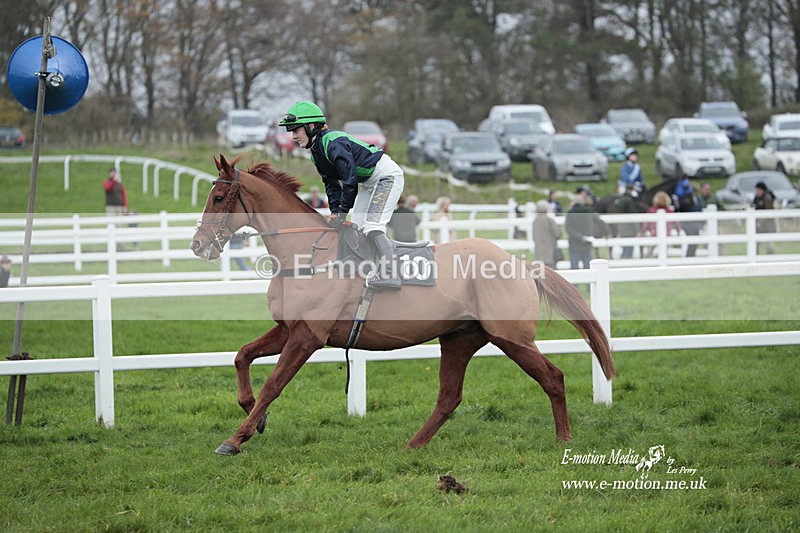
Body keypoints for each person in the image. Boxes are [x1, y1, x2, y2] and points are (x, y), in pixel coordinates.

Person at [280, 101, 405, 290]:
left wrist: (342, 212)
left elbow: (349, 181)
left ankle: (391, 274)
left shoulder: (333, 142)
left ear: (311, 126)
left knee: (372, 226)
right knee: (358, 228)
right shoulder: (315, 152)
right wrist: (335, 212)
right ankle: (369, 269)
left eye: (296, 130)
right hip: (370, 182)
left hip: (387, 177)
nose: (293, 136)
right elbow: (331, 185)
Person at [565, 188, 605, 269]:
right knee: (588, 268)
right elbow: (600, 222)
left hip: (574, 245)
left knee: (574, 269)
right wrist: (606, 232)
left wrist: (580, 236)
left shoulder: (570, 213)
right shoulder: (589, 211)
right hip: (587, 244)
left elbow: (568, 228)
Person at [641, 191, 680, 257]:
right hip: (664, 234)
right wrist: (678, 230)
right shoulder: (669, 211)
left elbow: (646, 223)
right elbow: (676, 223)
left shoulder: (652, 210)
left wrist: (643, 231)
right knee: (663, 251)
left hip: (655, 234)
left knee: (651, 251)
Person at [673, 178, 703, 257]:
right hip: (686, 223)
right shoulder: (684, 199)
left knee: (695, 238)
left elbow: (700, 209)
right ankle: (689, 256)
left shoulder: (698, 199)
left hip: (696, 223)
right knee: (692, 237)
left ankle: (691, 255)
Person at [532, 200, 562, 269]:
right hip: (550, 255)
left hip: (538, 255)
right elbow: (558, 234)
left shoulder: (535, 221)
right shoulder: (549, 220)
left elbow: (534, 237)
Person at [613, 184, 639, 259]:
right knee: (628, 249)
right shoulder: (629, 200)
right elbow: (632, 215)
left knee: (624, 247)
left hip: (621, 227)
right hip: (629, 228)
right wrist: (637, 230)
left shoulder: (620, 199)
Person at [753, 181, 776, 254]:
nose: (756, 192)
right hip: (760, 225)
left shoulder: (767, 198)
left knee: (769, 244)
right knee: (756, 243)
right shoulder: (757, 198)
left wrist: (760, 222)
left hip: (767, 225)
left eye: (758, 190)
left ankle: (769, 259)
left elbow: (767, 212)